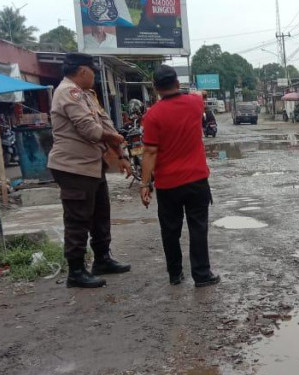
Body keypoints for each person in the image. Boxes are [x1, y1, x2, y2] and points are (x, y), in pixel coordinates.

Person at [48, 52, 132, 289]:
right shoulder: (68, 92)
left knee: (100, 214)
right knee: (78, 219)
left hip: (92, 166)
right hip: (74, 167)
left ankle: (102, 259)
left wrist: (122, 155)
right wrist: (114, 137)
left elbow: (105, 123)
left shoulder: (85, 95)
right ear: (83, 71)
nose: (95, 77)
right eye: (93, 72)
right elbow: (90, 130)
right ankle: (75, 271)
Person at [140, 65, 220, 288]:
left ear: (155, 88)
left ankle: (175, 275)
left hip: (168, 184)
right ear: (177, 83)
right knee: (198, 227)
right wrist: (195, 93)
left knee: (170, 230)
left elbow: (150, 152)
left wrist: (145, 184)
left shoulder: (152, 115)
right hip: (196, 180)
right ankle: (202, 275)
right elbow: (199, 95)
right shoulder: (195, 104)